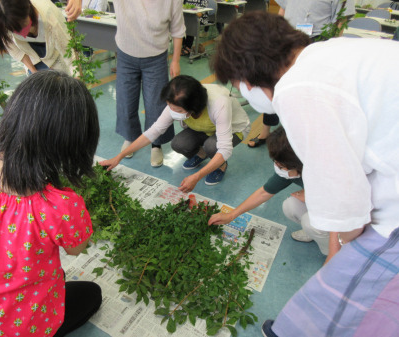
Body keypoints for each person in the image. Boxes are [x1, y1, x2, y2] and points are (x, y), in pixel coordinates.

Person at [212, 11, 399, 337]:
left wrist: (338, 257)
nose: (242, 91)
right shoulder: (329, 52)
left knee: (347, 293)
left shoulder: (298, 89)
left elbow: (348, 210)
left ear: (249, 73)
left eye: (238, 83)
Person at [0, 64, 102, 337]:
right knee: (92, 293)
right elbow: (77, 249)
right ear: (72, 144)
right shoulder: (59, 206)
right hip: (23, 327)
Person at [100, 75, 250, 191]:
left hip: (234, 129)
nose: (172, 112)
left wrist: (197, 176)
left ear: (194, 107)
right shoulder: (177, 100)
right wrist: (118, 157)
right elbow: (154, 131)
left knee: (213, 146)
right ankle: (201, 154)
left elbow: (225, 148)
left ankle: (221, 166)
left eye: (177, 111)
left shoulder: (218, 103)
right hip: (204, 128)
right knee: (179, 144)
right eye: (169, 107)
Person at [248, 0, 356, 149]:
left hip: (317, 41)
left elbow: (340, 22)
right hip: (288, 38)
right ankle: (265, 132)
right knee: (275, 84)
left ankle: (298, 137)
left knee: (305, 92)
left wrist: (330, 50)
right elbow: (283, 9)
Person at [209, 126, 329, 255]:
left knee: (310, 223)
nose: (277, 166)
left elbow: (347, 203)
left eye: (281, 165)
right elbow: (264, 192)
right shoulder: (288, 168)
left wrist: (314, 196)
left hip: (339, 208)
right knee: (290, 206)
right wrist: (231, 215)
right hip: (319, 197)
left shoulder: (326, 169)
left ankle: (331, 250)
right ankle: (314, 233)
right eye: (275, 162)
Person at [112, 0, 185, 168]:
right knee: (125, 99)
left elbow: (178, 29)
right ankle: (130, 138)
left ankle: (156, 144)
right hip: (126, 52)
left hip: (156, 56)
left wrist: (175, 60)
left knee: (156, 103)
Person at [0, 0, 74, 75]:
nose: (23, 34)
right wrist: (34, 72)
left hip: (54, 49)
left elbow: (69, 53)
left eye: (23, 25)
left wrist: (78, 80)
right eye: (15, 30)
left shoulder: (49, 15)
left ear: (28, 8)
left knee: (63, 82)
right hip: (30, 52)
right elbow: (13, 48)